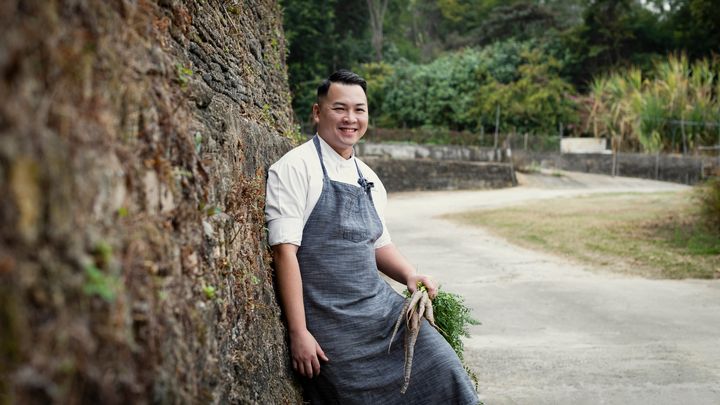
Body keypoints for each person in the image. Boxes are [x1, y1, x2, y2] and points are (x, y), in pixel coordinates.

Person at [265, 70, 478, 404]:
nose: (351, 118)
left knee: (445, 367)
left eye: (359, 109)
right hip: (330, 322)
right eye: (340, 108)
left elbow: (380, 244)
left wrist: (409, 274)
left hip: (382, 313)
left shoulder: (370, 178)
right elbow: (284, 253)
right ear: (317, 112)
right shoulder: (295, 168)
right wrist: (299, 332)